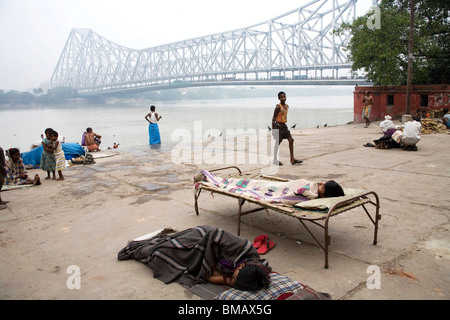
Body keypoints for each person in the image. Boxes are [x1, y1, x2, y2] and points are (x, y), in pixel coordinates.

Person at [118, 225, 272, 291]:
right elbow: (215, 235)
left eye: (232, 279)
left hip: (204, 256)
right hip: (202, 237)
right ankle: (139, 247)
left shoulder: (245, 278)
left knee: (160, 257)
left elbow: (212, 276)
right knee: (162, 250)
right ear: (242, 266)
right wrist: (209, 263)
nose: (230, 277)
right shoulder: (244, 248)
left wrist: (214, 274)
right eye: (233, 275)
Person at [271, 91, 302, 165]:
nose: (283, 98)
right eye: (281, 97)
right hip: (278, 127)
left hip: (284, 126)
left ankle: (292, 159)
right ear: (279, 98)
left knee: (291, 140)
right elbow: (273, 119)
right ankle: (275, 160)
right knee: (277, 143)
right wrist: (273, 130)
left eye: (284, 96)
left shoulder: (287, 106)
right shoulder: (278, 107)